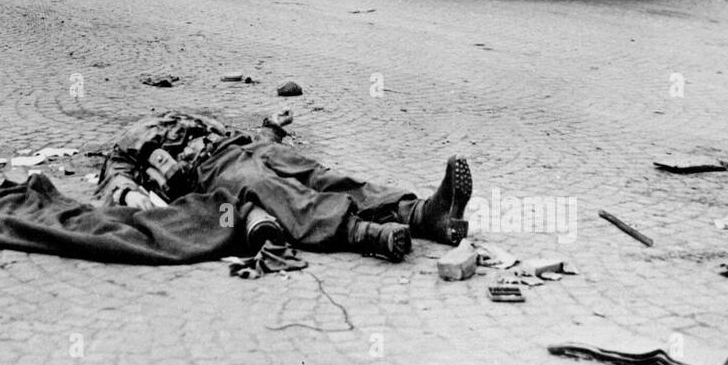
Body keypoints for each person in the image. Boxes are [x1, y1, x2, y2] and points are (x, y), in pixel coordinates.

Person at [99, 111, 472, 263]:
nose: (161, 121)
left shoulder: (190, 118)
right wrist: (133, 196)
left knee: (321, 176)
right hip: (210, 171)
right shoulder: (127, 147)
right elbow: (117, 182)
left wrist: (270, 129)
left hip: (247, 146)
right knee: (271, 190)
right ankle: (362, 233)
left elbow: (238, 135)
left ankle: (424, 214)